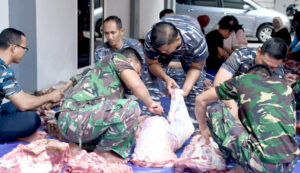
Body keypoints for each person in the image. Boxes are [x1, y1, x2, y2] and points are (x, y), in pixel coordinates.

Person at [57, 47, 163, 163]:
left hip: (76, 122)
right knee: (131, 107)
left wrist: (140, 119)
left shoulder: (111, 79)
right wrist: (150, 103)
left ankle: (80, 146)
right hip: (73, 118)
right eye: (137, 72)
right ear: (130, 62)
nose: (137, 76)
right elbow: (137, 85)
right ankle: (104, 152)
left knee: (128, 117)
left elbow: (115, 120)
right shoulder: (117, 58)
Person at [195, 64, 300, 172]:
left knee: (216, 110)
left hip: (262, 164)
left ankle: (239, 164)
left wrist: (204, 129)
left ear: (249, 75)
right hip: (290, 163)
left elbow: (200, 99)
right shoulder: (285, 86)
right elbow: (292, 126)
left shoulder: (245, 80)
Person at [143, 14, 208, 126]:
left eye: (166, 50)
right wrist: (166, 78)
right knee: (151, 78)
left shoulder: (196, 40)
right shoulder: (152, 38)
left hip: (189, 49)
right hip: (165, 44)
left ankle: (195, 128)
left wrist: (185, 91)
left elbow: (196, 68)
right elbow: (152, 63)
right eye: (161, 50)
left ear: (177, 39)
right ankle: (151, 122)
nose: (164, 53)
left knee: (196, 86)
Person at [0, 28, 63, 142]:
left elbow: (20, 96)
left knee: (13, 106)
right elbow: (23, 103)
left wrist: (39, 99)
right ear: (14, 48)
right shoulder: (4, 71)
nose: (24, 52)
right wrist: (49, 97)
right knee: (32, 119)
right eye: (24, 48)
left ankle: (14, 132)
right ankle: (18, 135)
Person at [213, 38, 293, 118]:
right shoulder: (242, 55)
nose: (266, 69)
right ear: (258, 52)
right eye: (264, 63)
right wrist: (231, 104)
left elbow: (277, 104)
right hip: (231, 98)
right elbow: (218, 84)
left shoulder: (278, 73)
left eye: (272, 67)